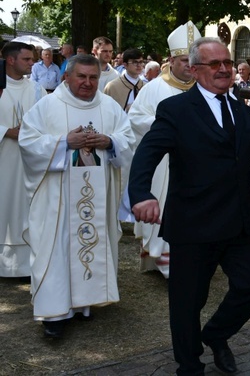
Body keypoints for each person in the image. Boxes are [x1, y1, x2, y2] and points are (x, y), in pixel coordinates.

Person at [128, 37, 250, 375]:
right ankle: (189, 363)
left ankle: (215, 334)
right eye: (215, 64)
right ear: (195, 71)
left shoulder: (241, 110)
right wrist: (141, 193)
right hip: (195, 223)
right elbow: (148, 152)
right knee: (187, 302)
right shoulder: (176, 110)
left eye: (227, 62)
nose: (225, 69)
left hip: (241, 222)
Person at [18, 54, 135, 339]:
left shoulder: (109, 106)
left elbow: (128, 139)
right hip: (56, 198)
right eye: (81, 77)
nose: (87, 83)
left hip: (97, 197)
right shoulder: (47, 106)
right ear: (66, 77)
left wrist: (110, 142)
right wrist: (63, 143)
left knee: (90, 242)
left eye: (93, 77)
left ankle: (84, 303)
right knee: (57, 249)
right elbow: (28, 142)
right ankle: (54, 313)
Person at [125, 21, 199, 279]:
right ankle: (163, 257)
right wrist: (166, 128)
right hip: (162, 163)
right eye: (183, 60)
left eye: (193, 61)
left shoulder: (204, 89)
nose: (189, 66)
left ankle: (186, 257)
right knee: (163, 205)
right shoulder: (154, 88)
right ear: (171, 60)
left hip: (194, 163)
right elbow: (134, 118)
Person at [0, 42, 45, 278]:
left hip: (29, 160)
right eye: (27, 59)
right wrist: (7, 131)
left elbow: (47, 119)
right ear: (10, 60)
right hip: (3, 159)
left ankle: (26, 264)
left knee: (26, 209)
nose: (32, 63)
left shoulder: (36, 89)